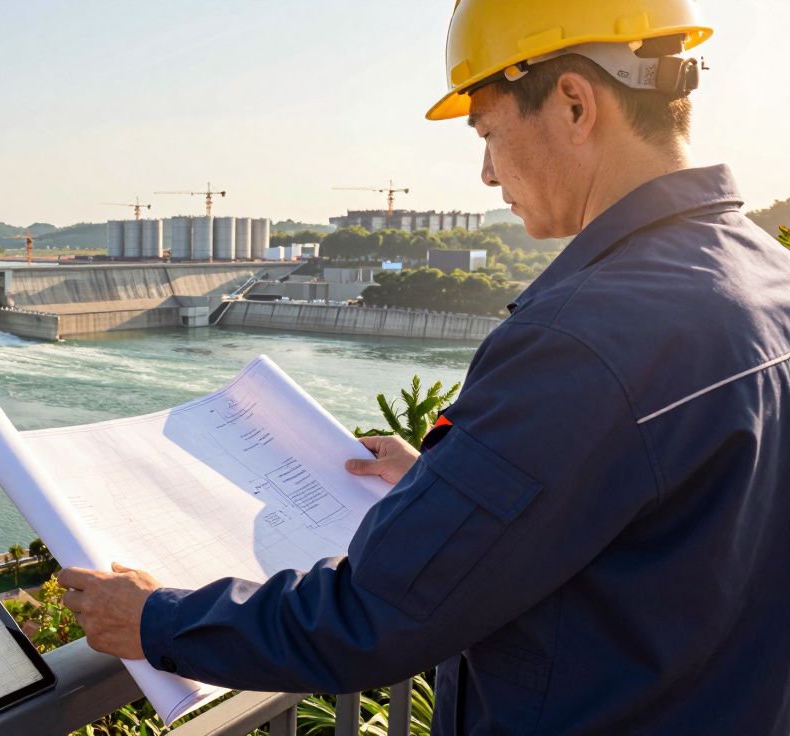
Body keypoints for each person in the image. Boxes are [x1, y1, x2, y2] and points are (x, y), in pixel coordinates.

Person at [58, 1, 790, 733]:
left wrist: (157, 621)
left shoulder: (583, 340)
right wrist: (456, 484)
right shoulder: (768, 280)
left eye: (489, 133)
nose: (484, 172)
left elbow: (375, 616)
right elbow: (660, 506)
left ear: (573, 102)